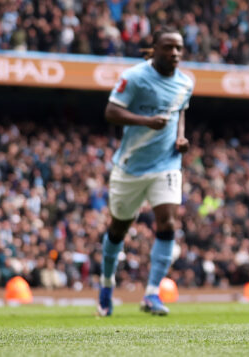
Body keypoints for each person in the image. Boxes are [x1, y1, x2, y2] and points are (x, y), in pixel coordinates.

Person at [96, 28, 193, 317]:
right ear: (154, 48)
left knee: (168, 223)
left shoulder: (185, 83)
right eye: (168, 48)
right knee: (118, 229)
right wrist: (146, 121)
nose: (174, 53)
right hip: (130, 166)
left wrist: (180, 137)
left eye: (178, 48)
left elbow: (180, 111)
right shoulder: (135, 77)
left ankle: (151, 294)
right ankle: (106, 285)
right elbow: (111, 112)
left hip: (166, 164)